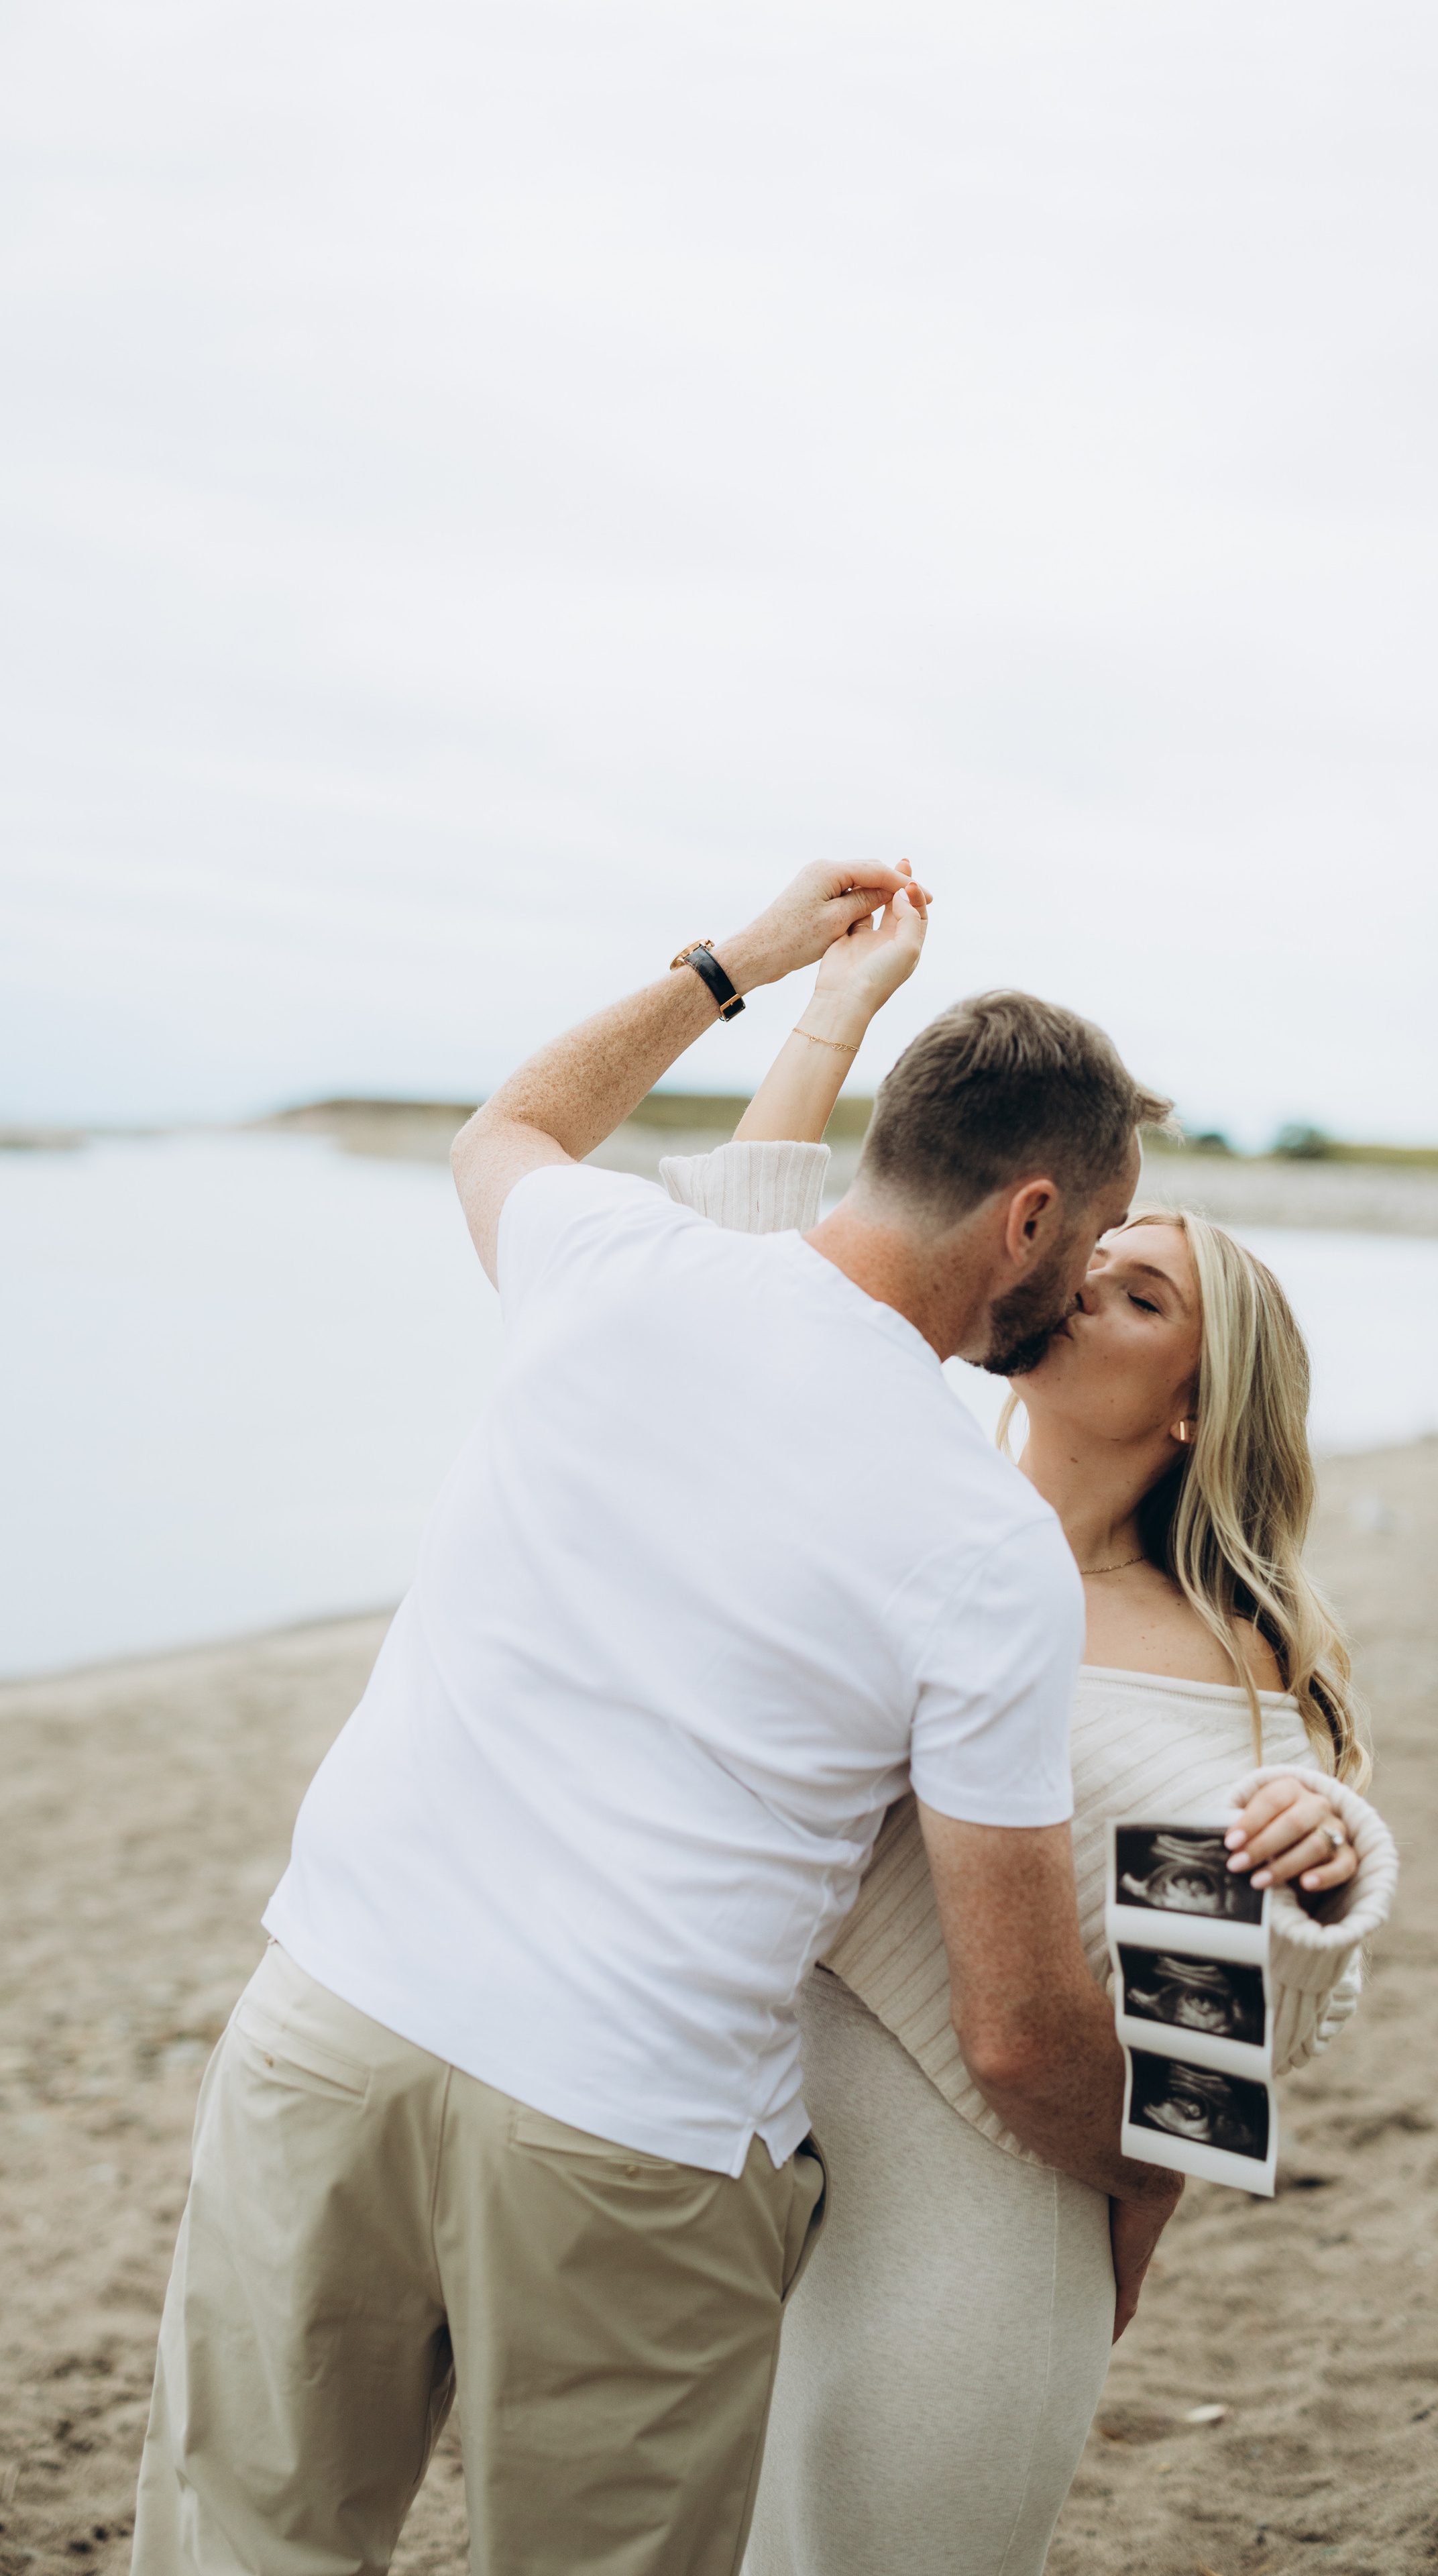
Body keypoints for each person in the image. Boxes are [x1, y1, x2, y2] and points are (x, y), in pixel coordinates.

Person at [130, 859, 1182, 2576]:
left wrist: (738, 964)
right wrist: (1133, 2178)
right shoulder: (984, 1547)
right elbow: (1012, 2019)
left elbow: (505, 1128)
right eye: (1083, 1246)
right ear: (1029, 1216)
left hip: (330, 2024)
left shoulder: (614, 1263)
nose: (1069, 1295)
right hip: (631, 2136)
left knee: (243, 2544)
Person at [658, 904, 1398, 2576]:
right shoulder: (905, 1498)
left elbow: (1225, 2021)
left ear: (1194, 1401)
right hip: (737, 2145)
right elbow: (752, 1254)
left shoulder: (1234, 1670)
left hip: (983, 2212)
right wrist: (830, 1010)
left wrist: (1337, 1850)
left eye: (1136, 1297)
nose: (1079, 1285)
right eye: (1097, 1251)